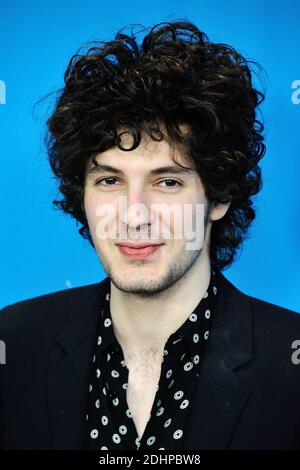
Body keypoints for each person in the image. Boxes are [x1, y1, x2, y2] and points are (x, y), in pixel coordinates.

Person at [0, 20, 299, 451]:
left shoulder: (290, 364)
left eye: (168, 182)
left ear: (218, 197)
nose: (134, 216)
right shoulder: (15, 342)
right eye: (109, 182)